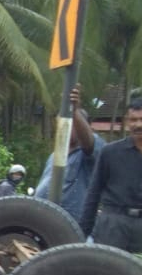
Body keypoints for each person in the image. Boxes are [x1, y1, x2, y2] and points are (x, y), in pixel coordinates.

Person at [78, 96, 142, 254]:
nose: (139, 125)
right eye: (133, 120)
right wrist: (82, 235)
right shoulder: (110, 152)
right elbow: (93, 194)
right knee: (108, 273)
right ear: (127, 121)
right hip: (113, 225)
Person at [35, 85, 105, 221]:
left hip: (73, 226)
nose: (64, 128)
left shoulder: (89, 152)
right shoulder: (55, 156)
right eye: (60, 123)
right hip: (45, 222)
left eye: (70, 123)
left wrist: (74, 111)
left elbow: (89, 142)